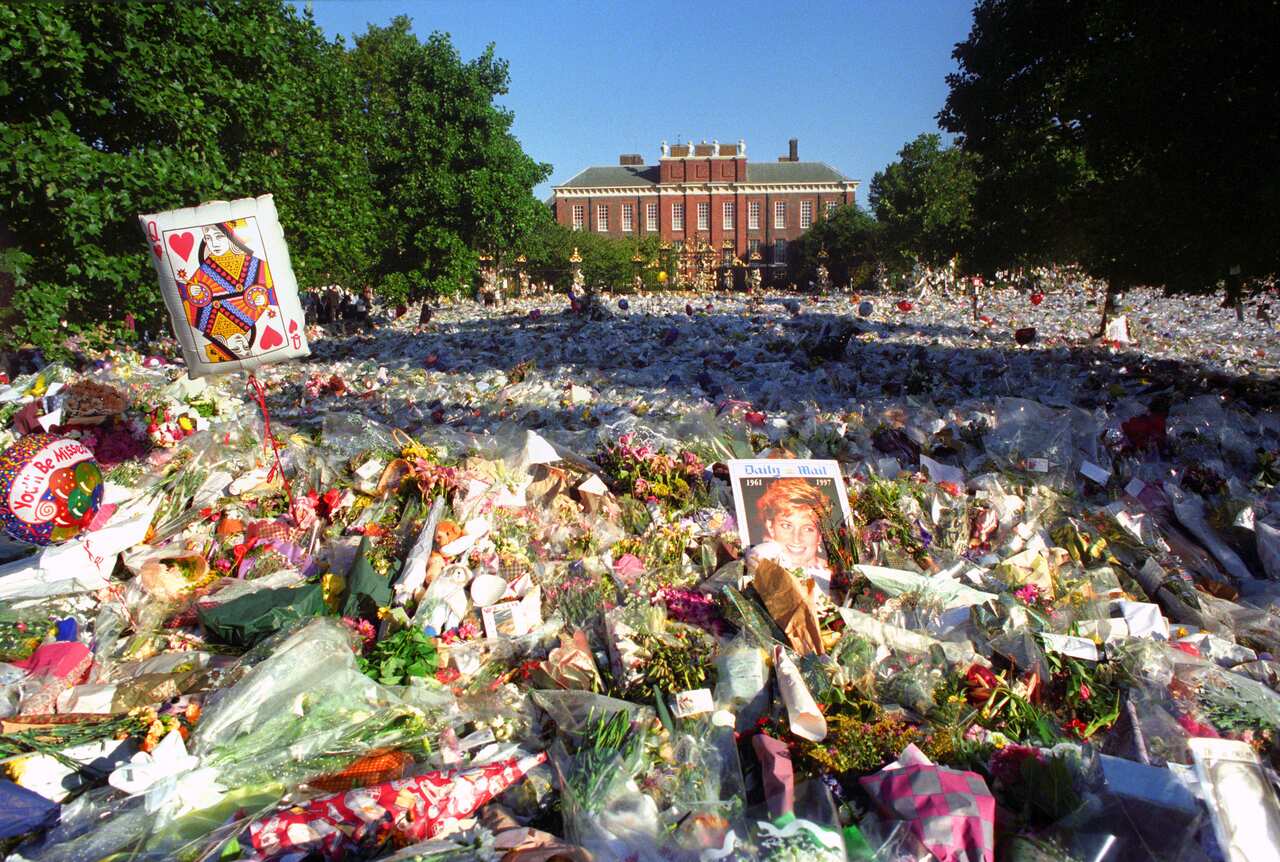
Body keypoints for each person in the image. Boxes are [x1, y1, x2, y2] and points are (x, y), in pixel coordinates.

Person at [180, 221, 277, 363]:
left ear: (231, 237)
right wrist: (195, 293)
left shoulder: (256, 264)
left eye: (219, 236)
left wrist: (263, 298)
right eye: (208, 238)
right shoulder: (204, 270)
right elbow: (188, 306)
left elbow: (273, 289)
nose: (214, 243)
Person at [752, 477, 835, 594]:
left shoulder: (837, 577)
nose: (796, 539)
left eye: (808, 529)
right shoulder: (756, 566)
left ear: (820, 534)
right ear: (770, 526)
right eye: (786, 526)